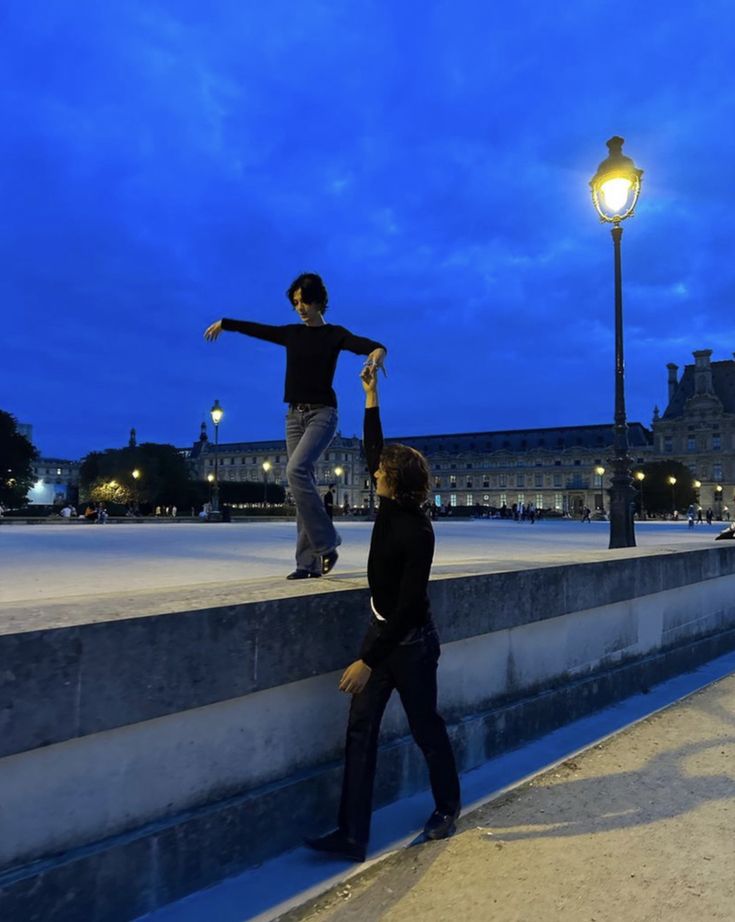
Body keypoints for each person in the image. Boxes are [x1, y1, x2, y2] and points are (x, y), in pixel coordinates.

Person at [305, 364, 460, 863]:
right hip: (384, 633)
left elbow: (409, 607)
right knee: (359, 730)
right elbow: (375, 448)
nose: (373, 473)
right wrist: (370, 395)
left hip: (409, 644)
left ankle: (448, 806)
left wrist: (369, 659)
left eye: (381, 474)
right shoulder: (392, 509)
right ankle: (352, 833)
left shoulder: (417, 532)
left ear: (397, 484)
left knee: (425, 728)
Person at [205, 272, 386, 579]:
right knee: (304, 484)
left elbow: (374, 346)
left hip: (323, 414)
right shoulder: (292, 334)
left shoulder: (335, 335)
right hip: (293, 417)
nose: (300, 308)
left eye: (304, 302)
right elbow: (258, 330)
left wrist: (376, 357)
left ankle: (327, 544)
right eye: (296, 303)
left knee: (295, 471)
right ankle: (308, 563)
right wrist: (226, 322)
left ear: (318, 301)